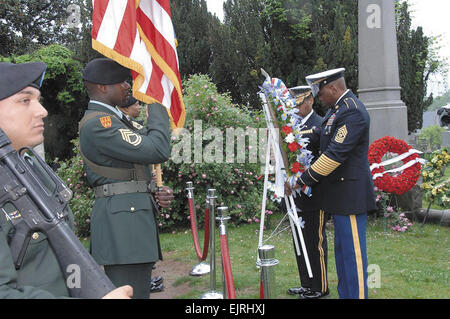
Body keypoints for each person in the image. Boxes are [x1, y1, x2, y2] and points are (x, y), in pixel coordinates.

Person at [0, 61, 132, 299]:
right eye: (25, 100)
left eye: (38, 100)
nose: (42, 111)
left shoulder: (28, 169)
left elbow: (63, 258)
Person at [79, 57, 172, 299]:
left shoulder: (117, 120)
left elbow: (136, 163)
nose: (128, 87)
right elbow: (157, 148)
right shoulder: (99, 123)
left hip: (130, 220)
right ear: (102, 86)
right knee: (130, 292)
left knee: (138, 291)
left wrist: (151, 190)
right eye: (122, 82)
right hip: (123, 227)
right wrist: (159, 104)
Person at [298, 68, 376, 299]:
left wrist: (303, 179)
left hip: (350, 196)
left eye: (321, 93)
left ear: (333, 88)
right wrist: (287, 136)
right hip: (339, 196)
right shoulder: (336, 111)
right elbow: (317, 133)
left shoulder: (352, 112)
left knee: (353, 257)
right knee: (343, 256)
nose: (319, 99)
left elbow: (334, 155)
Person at [284, 86, 328, 299]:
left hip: (315, 192)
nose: (296, 107)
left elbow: (324, 160)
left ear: (310, 101)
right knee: (299, 240)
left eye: (299, 102)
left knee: (315, 241)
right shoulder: (290, 126)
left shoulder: (320, 125)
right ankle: (306, 283)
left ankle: (320, 287)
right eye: (293, 103)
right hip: (295, 193)